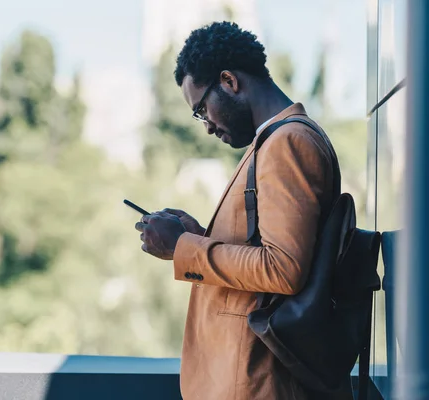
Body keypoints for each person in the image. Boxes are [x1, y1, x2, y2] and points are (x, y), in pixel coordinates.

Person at [135, 22, 350, 400]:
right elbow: (267, 253)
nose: (207, 127)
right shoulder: (273, 141)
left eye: (201, 109)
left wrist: (183, 248)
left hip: (253, 383)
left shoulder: (288, 143)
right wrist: (201, 235)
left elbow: (283, 269)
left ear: (229, 81)